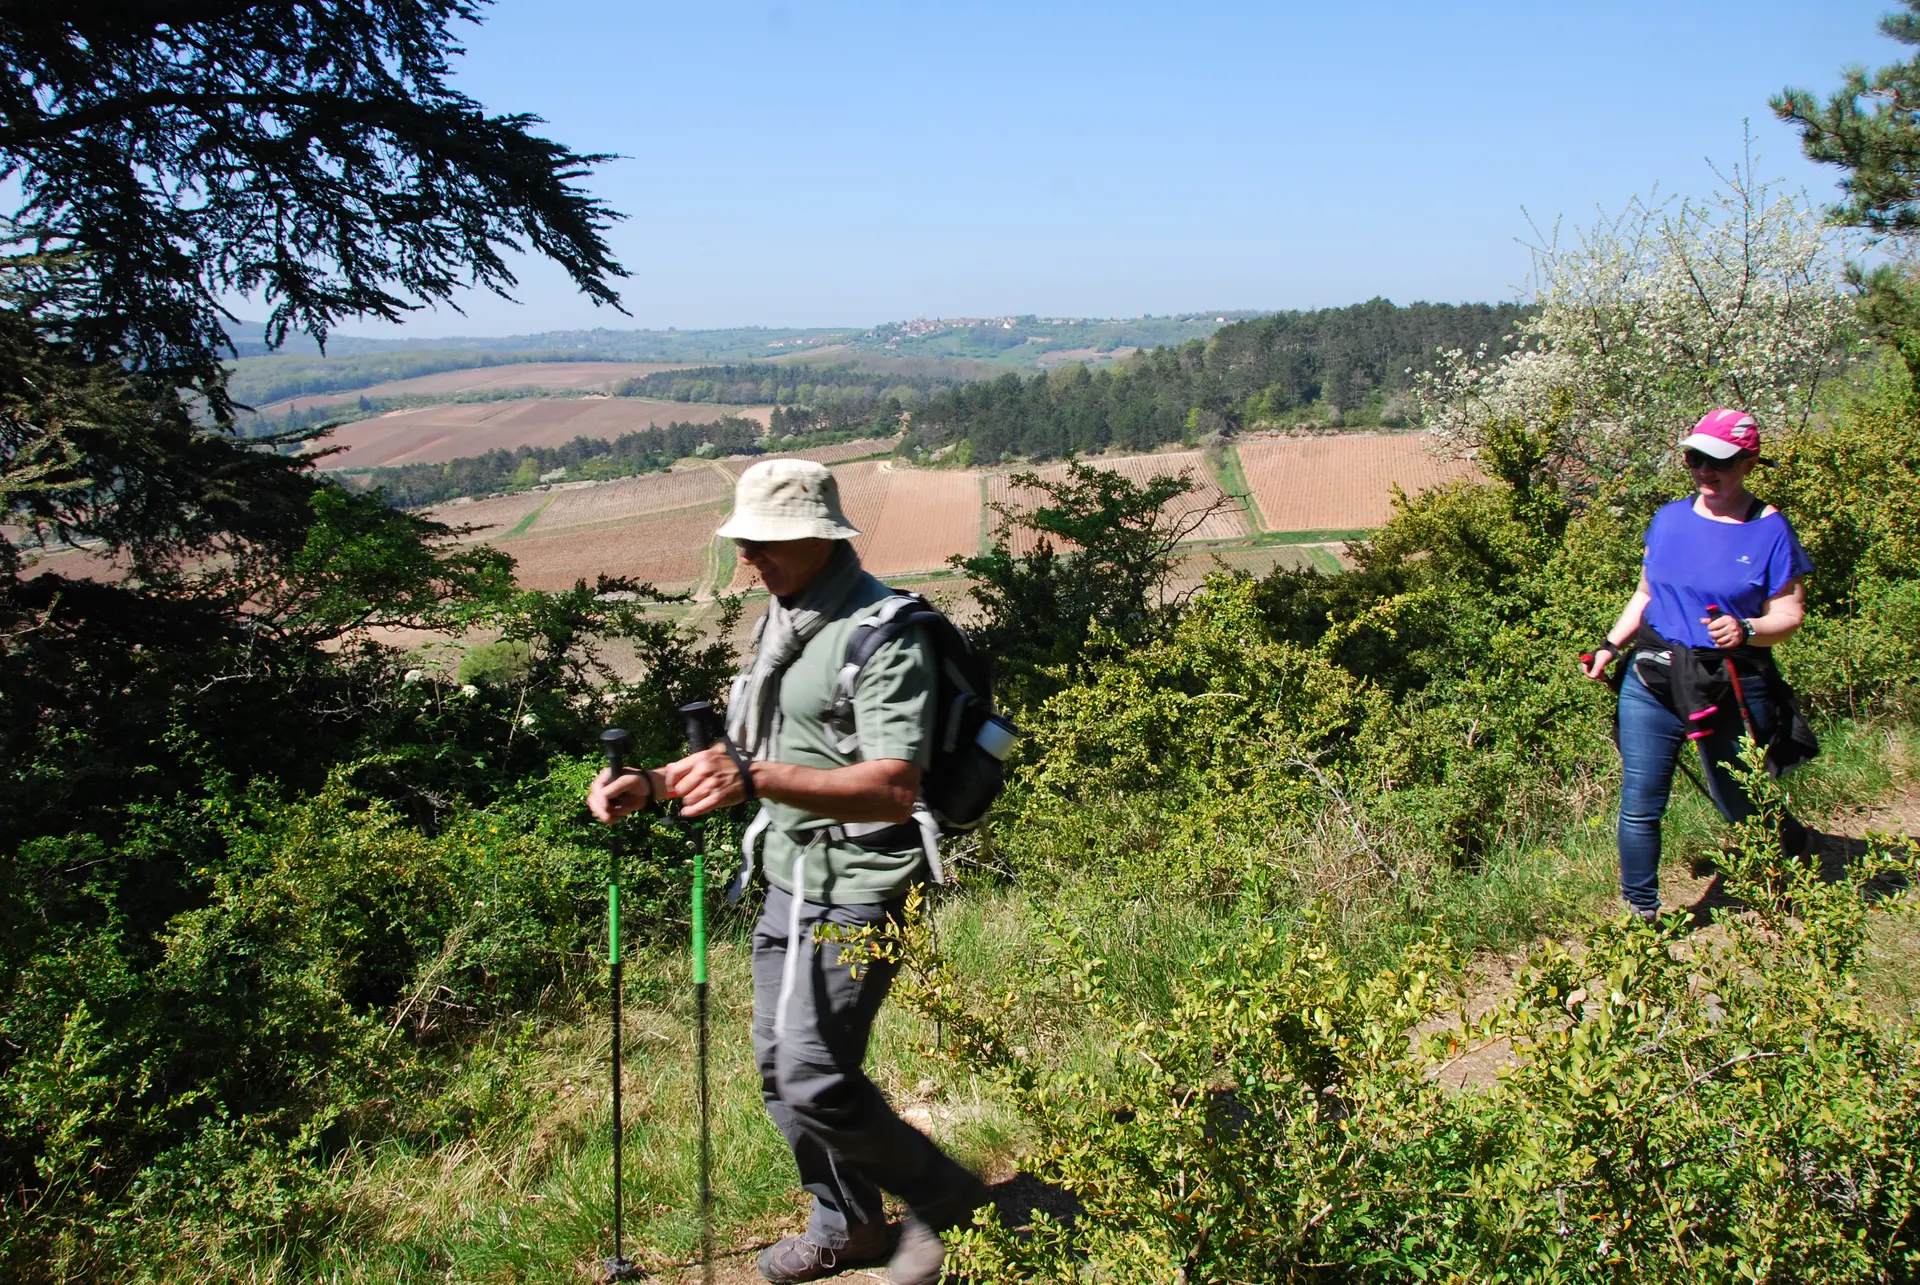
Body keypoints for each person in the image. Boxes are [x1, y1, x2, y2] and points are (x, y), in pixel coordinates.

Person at [587, 458, 989, 1285]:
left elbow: (893, 787)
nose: (748, 558)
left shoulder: (886, 632)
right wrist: (655, 783)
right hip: (787, 875)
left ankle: (946, 1201)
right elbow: (749, 754)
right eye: (745, 541)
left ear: (817, 535)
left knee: (812, 1072)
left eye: (764, 542)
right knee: (780, 1070)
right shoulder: (786, 615)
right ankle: (849, 1227)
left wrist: (755, 780)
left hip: (862, 886)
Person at [1580, 408, 1819, 922]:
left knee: (1737, 799)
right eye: (1695, 458)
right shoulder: (1668, 518)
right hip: (1654, 675)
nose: (1705, 471)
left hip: (1728, 680)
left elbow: (1789, 612)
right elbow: (1646, 592)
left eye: (1720, 462)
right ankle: (1640, 912)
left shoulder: (1771, 531)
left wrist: (1748, 629)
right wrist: (1610, 644)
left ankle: (1791, 859)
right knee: (1641, 802)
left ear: (1749, 462)